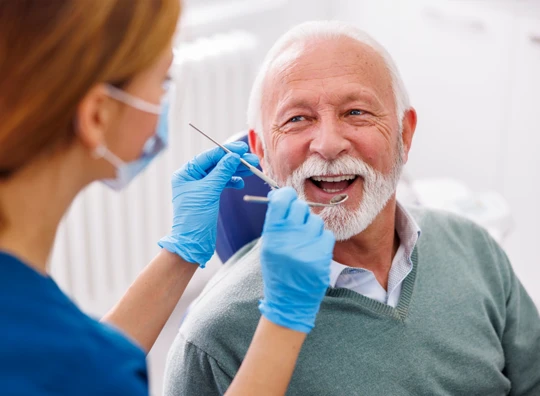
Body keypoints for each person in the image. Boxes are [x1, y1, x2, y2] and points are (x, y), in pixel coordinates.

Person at [165, 20, 540, 395]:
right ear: (260, 153)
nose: (328, 145)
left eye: (356, 112)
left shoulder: (477, 250)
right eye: (297, 119)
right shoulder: (214, 343)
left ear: (404, 134)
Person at [0, 2, 335, 395]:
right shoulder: (82, 363)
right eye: (163, 81)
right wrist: (284, 321)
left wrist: (181, 252)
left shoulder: (50, 341)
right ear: (96, 116)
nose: (327, 143)